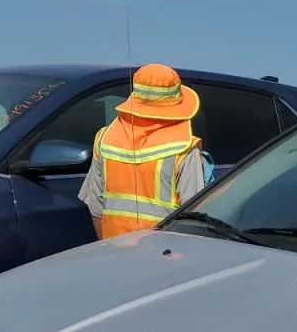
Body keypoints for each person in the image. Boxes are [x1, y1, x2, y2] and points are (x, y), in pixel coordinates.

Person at [78, 64, 207, 239]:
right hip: (168, 258)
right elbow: (194, 218)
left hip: (116, 252)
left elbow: (95, 208)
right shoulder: (185, 148)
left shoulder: (105, 139)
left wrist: (106, 250)